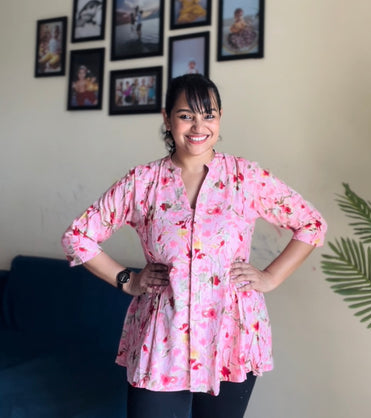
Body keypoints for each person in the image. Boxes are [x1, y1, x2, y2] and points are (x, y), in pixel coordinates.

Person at [61, 74, 327, 418]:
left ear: (219, 119)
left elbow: (311, 223)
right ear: (167, 118)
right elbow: (77, 236)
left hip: (230, 332)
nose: (198, 125)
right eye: (187, 115)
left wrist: (271, 277)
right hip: (162, 336)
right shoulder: (143, 182)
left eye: (209, 115)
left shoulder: (244, 177)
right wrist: (128, 280)